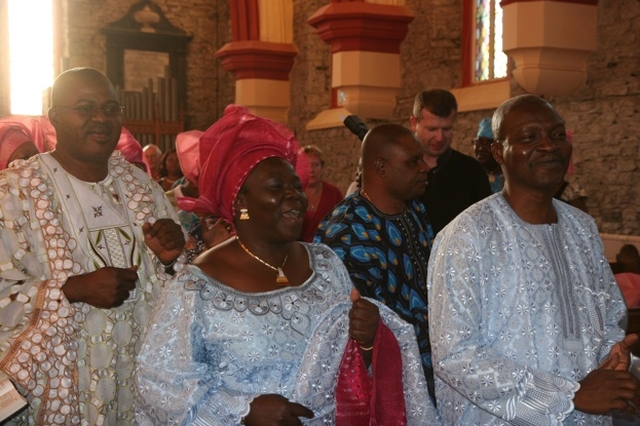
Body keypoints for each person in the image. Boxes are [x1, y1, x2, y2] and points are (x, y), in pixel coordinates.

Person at [134, 106, 439, 425]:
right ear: (241, 203)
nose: (295, 197)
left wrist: (367, 340)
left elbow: (351, 366)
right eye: (277, 188)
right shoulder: (197, 286)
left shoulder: (324, 263)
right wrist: (243, 412)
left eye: (296, 186)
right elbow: (160, 387)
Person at [428, 94, 640, 424]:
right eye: (529, 137)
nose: (548, 146)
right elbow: (456, 355)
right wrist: (568, 395)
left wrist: (613, 360)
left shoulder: (582, 228)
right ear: (499, 151)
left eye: (557, 135)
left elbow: (609, 315)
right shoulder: (468, 234)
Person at [0, 67, 186, 425]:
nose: (100, 118)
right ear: (54, 117)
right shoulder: (14, 192)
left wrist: (168, 260)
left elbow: (177, 287)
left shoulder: (140, 187)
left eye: (111, 108)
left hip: (137, 382)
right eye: (85, 107)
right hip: (62, 389)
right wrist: (70, 290)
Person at [315, 123, 437, 399]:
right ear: (381, 168)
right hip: (385, 382)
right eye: (413, 162)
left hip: (429, 368)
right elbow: (351, 328)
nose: (425, 168)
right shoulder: (347, 230)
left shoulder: (414, 208)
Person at [410, 89, 492, 235]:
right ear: (414, 123)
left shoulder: (472, 171)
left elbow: (486, 227)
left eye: (447, 129)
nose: (440, 137)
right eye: (432, 129)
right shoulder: (400, 170)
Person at [298, 144, 343, 242]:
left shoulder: (333, 194)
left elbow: (342, 225)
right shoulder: (293, 193)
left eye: (316, 165)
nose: (311, 170)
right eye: (306, 165)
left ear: (323, 168)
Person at [473, 117, 504, 193]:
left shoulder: (513, 178)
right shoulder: (470, 176)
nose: (481, 148)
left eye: (489, 143)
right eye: (478, 142)